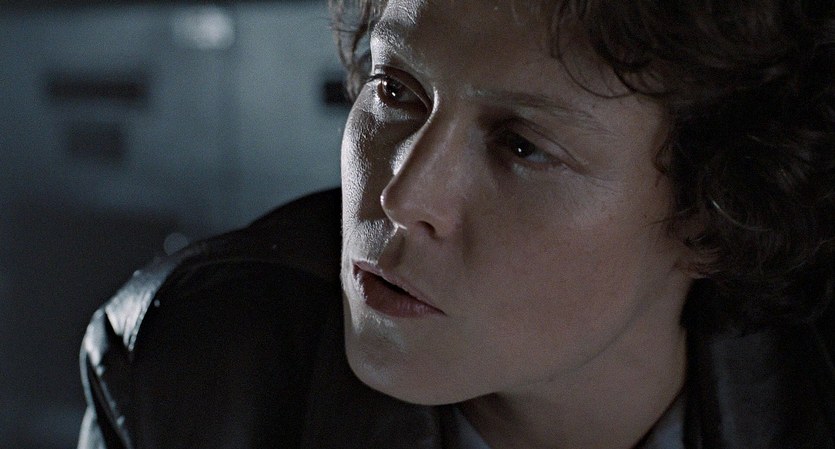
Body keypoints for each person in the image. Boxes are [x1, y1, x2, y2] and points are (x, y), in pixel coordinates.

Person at [78, 0, 835, 448]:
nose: (402, 195)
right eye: (395, 91)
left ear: (712, 215)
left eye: (521, 146)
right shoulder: (192, 372)